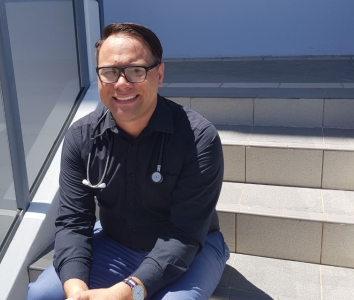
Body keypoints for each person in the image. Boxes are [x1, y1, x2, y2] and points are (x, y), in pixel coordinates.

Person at [27, 22, 229, 300]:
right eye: (109, 72)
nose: (121, 83)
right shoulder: (81, 137)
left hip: (193, 246)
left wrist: (124, 292)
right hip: (114, 241)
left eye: (136, 71)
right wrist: (76, 290)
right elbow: (73, 222)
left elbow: (184, 234)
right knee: (43, 295)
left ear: (159, 74)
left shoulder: (198, 138)